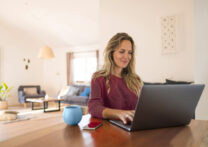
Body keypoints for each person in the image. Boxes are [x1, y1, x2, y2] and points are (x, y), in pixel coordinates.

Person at [88, 32, 143, 124]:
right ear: (111, 52)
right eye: (122, 51)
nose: (126, 56)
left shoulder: (135, 79)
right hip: (111, 129)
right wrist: (119, 113)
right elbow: (93, 107)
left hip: (134, 126)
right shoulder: (98, 78)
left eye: (130, 52)